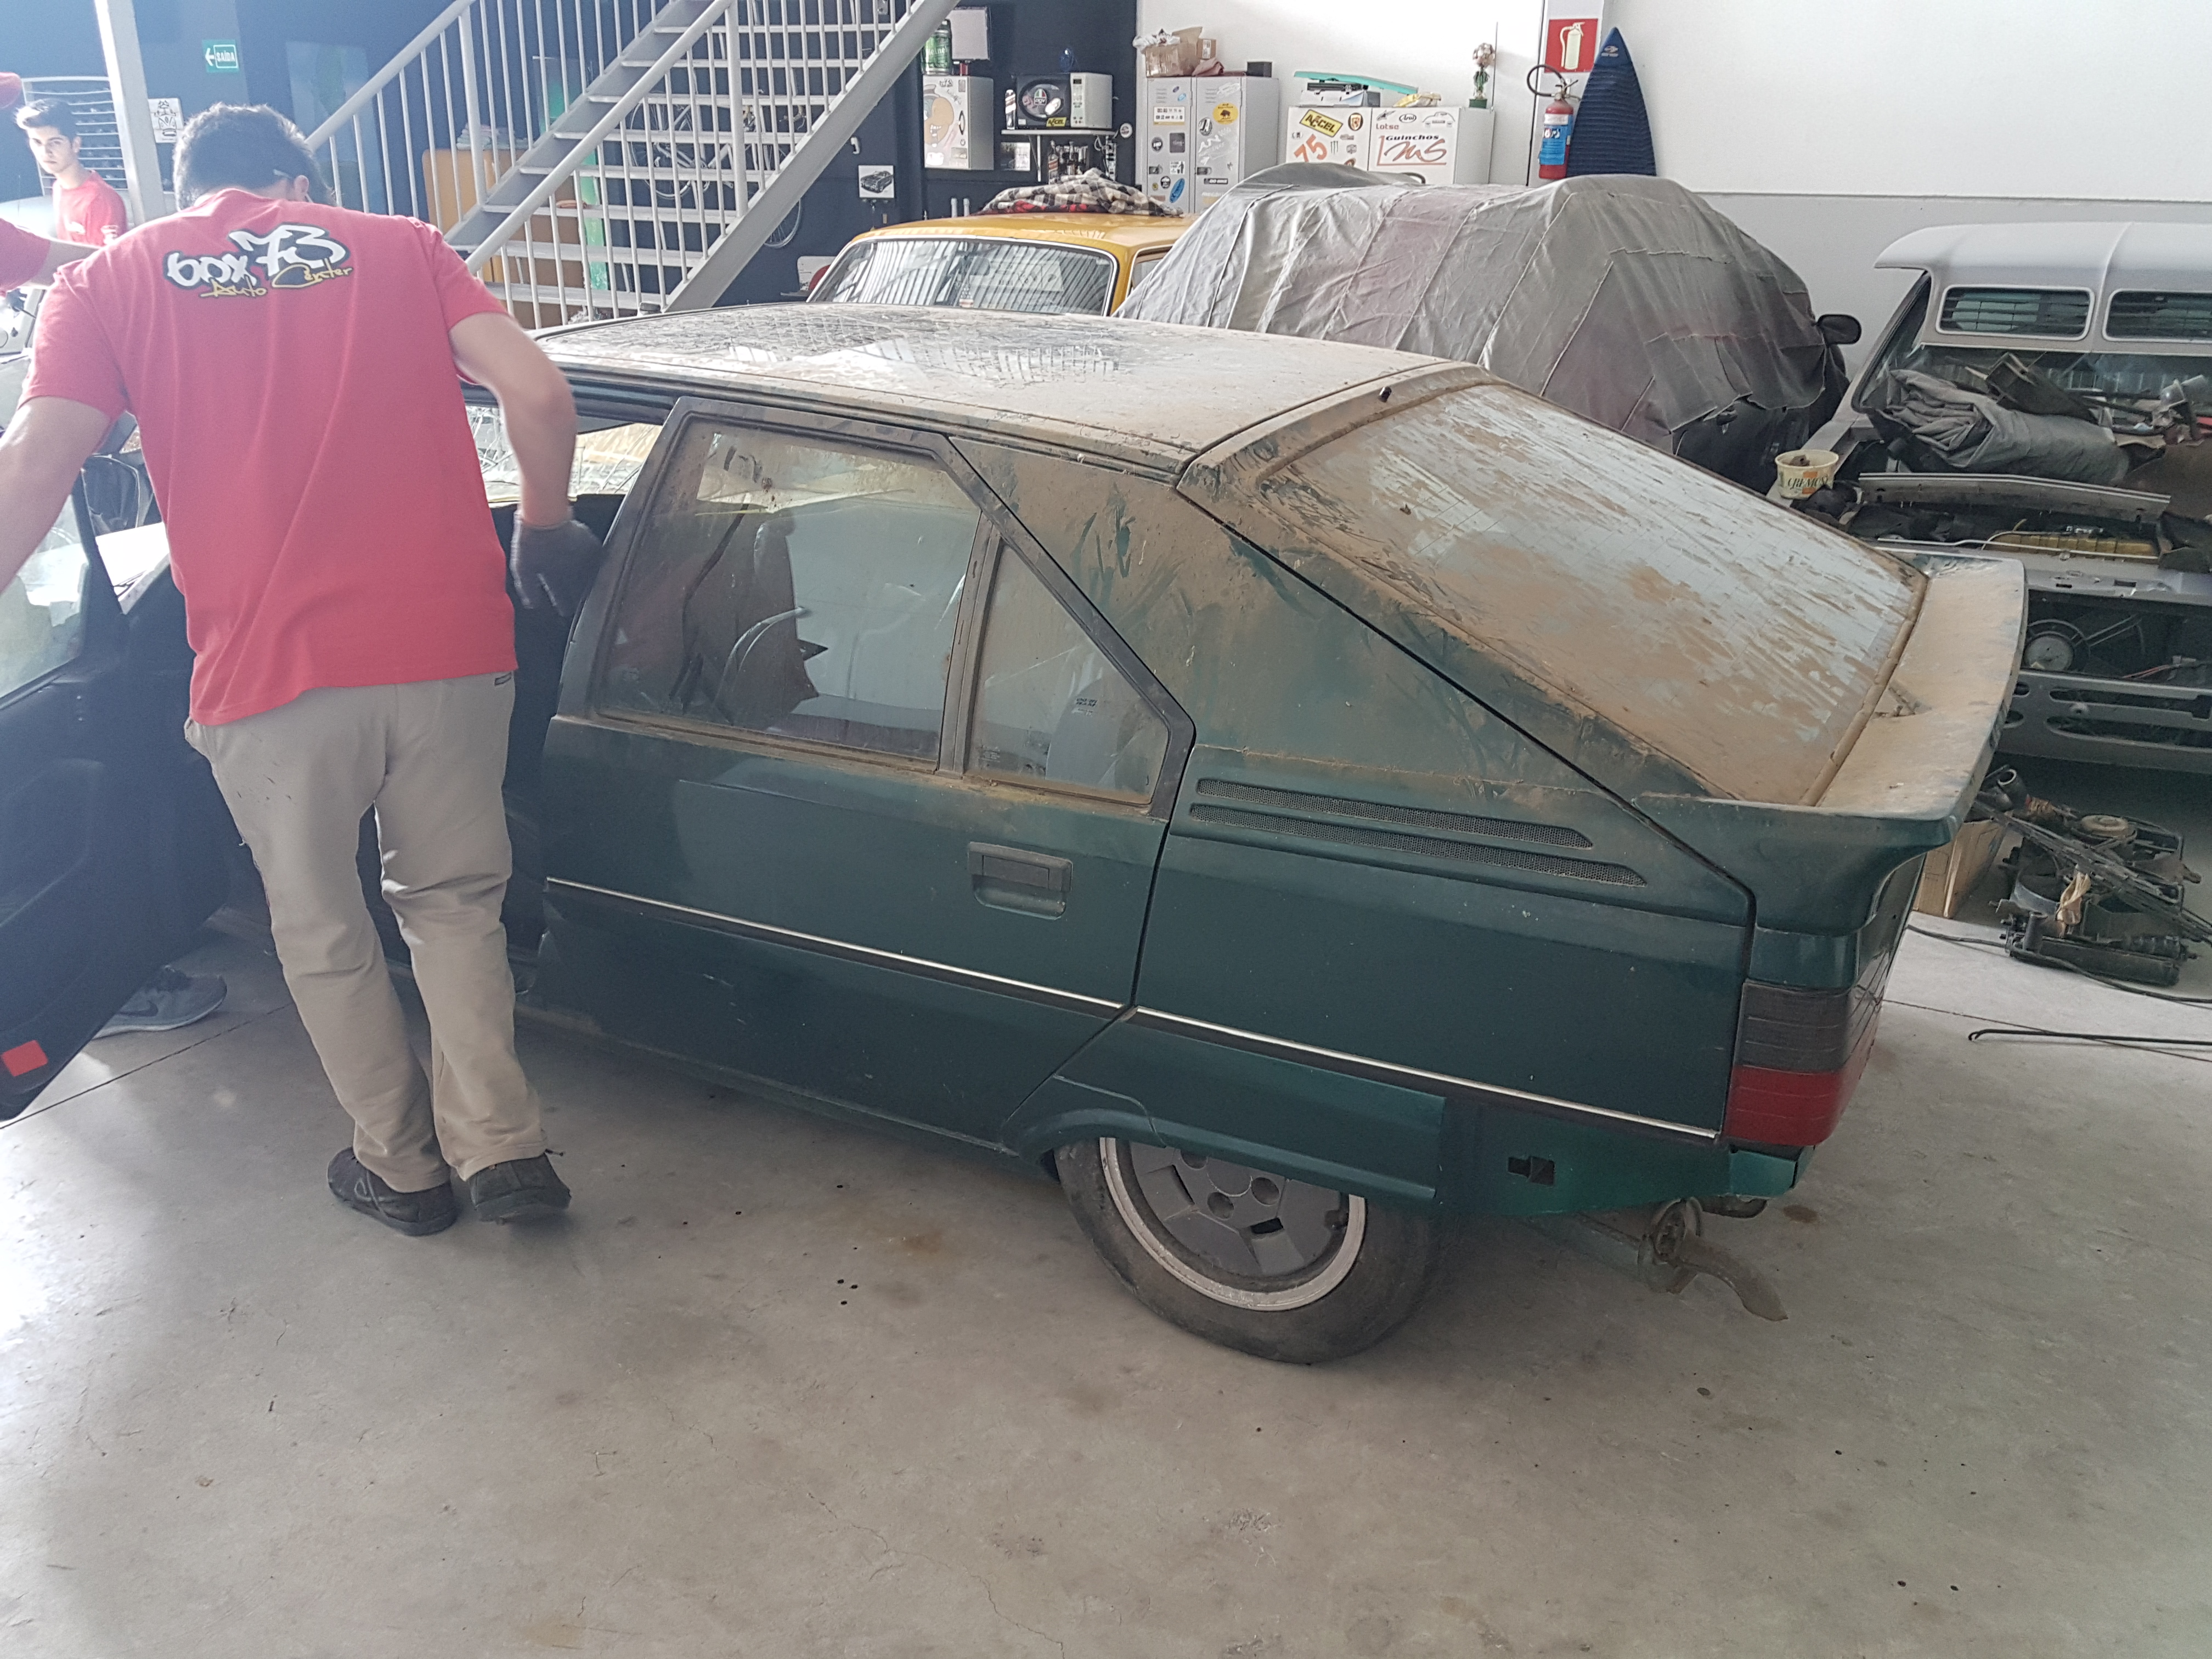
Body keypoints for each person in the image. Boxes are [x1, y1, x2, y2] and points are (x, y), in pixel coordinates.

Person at [0, 104, 607, 1235]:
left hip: (269, 671)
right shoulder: (401, 247)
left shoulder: (108, 282)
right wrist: (544, 520)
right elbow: (536, 392)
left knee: (321, 925)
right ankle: (502, 1149)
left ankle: (403, 1168)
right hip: (449, 647)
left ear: (189, 184)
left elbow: (35, 465)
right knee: (453, 905)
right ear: (300, 183)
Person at [15, 99, 128, 248]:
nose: (45, 152)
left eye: (55, 142)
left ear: (75, 144)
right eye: (37, 142)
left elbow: (105, 260)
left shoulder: (100, 199)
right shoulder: (59, 187)